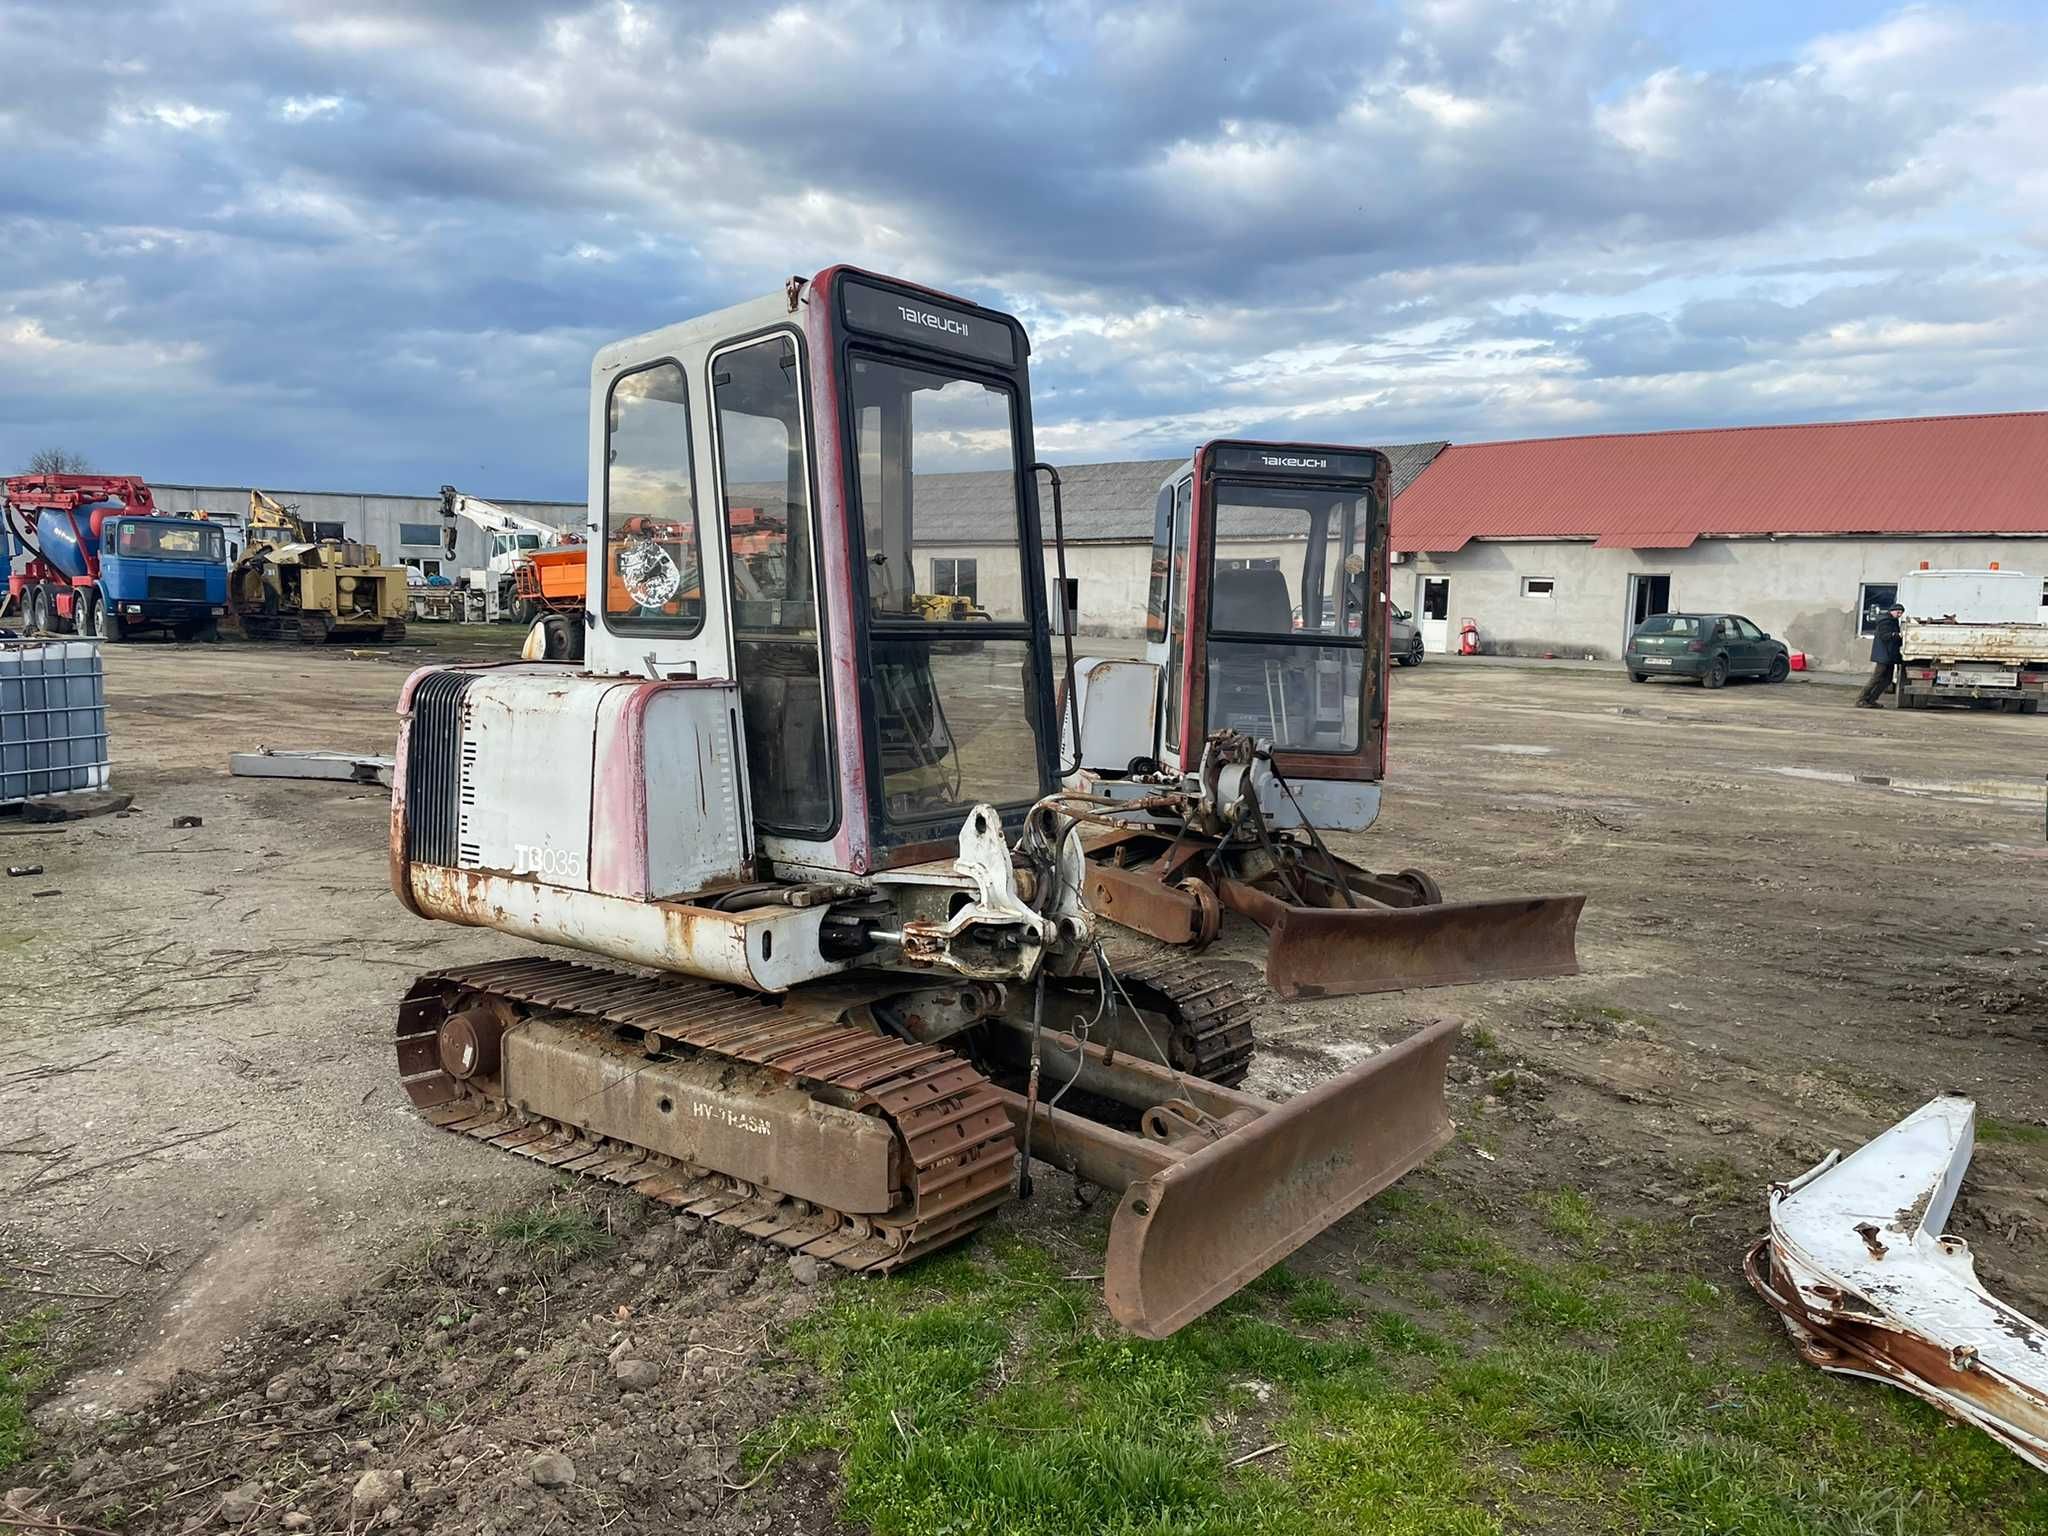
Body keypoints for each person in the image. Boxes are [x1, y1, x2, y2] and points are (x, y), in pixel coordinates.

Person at [1857, 602, 1905, 708]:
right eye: (1898, 612)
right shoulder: (1885, 621)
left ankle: (1871, 700)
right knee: (1876, 678)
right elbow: (1884, 636)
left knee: (1887, 680)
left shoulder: (1893, 620)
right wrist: (1897, 635)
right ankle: (1861, 700)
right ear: (1892, 611)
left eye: (1901, 613)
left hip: (1889, 655)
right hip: (1883, 655)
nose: (1899, 614)